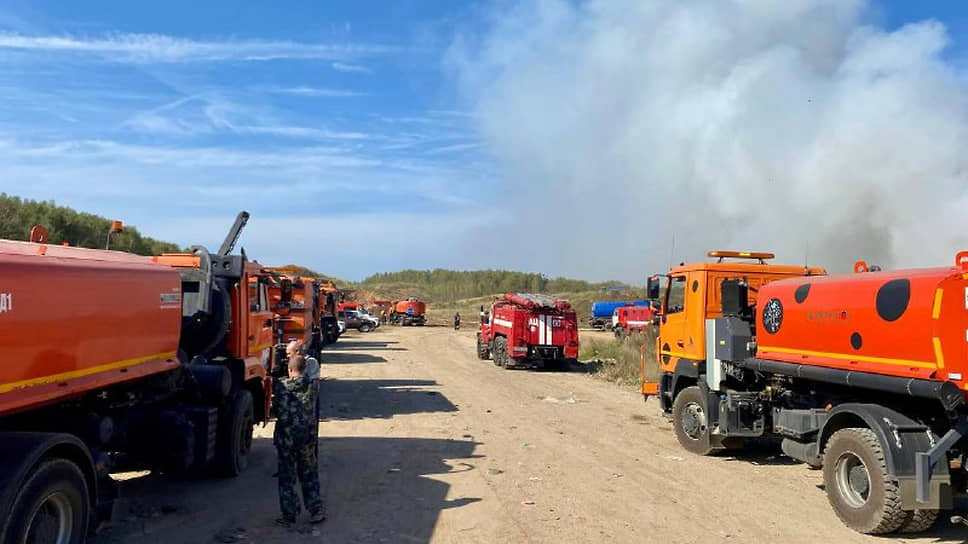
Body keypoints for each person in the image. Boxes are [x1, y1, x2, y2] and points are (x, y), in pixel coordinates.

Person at [273, 354, 325, 526]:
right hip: (306, 438)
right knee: (309, 473)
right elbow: (313, 376)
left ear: (289, 369)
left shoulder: (281, 387)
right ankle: (315, 510)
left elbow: (275, 405)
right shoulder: (312, 386)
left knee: (287, 477)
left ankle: (289, 514)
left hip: (286, 439)